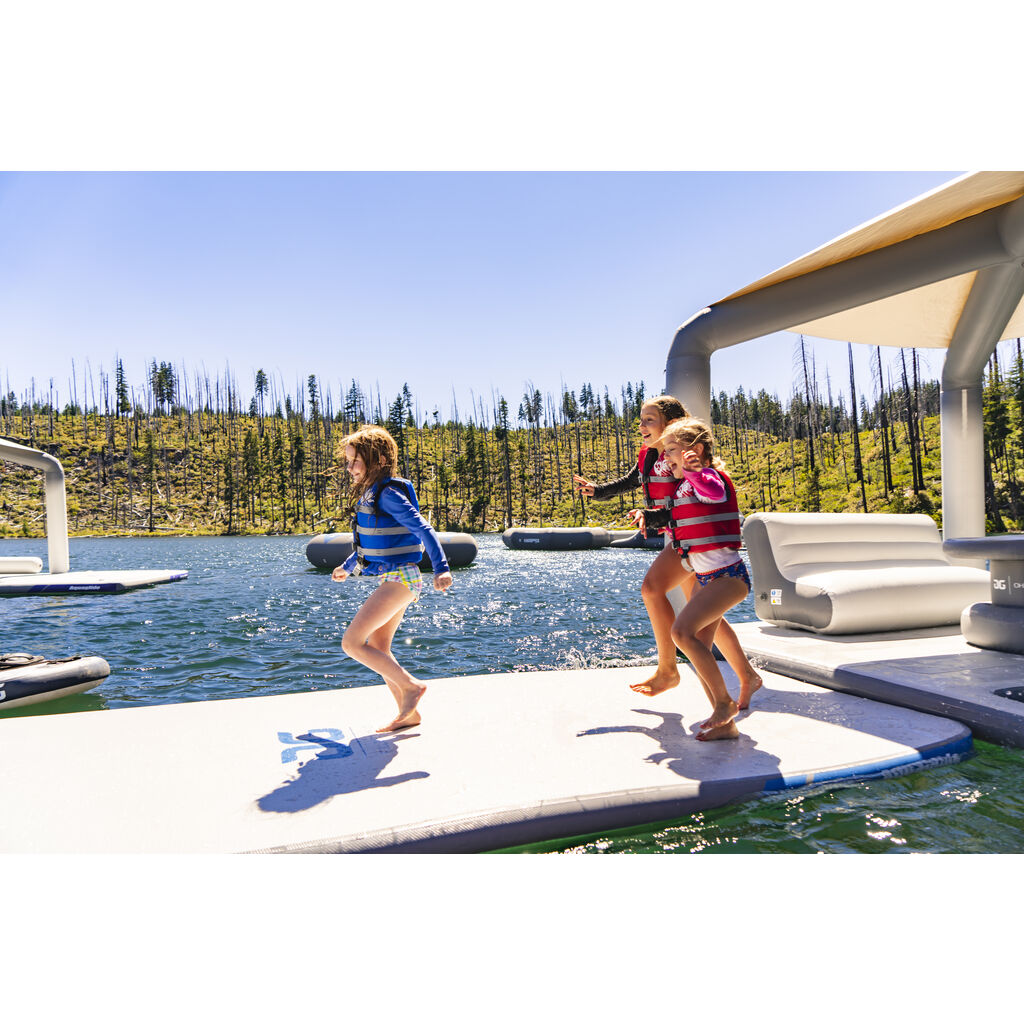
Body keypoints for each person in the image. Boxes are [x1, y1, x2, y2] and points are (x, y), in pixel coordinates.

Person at [572, 396, 761, 708]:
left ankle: (671, 672)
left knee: (660, 594)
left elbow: (700, 495)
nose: (641, 426)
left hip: (692, 541)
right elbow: (633, 480)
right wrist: (600, 490)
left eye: (649, 420)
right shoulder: (651, 456)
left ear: (671, 424)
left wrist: (657, 514)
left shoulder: (680, 460)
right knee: (703, 617)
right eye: (641, 420)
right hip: (683, 539)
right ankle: (743, 677)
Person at [331, 426, 453, 732]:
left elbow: (423, 529)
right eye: (349, 461)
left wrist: (441, 567)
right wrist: (347, 566)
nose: (350, 468)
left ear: (380, 461)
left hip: (401, 579)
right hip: (399, 577)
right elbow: (371, 546)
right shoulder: (374, 495)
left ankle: (411, 687)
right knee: (378, 646)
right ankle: (407, 713)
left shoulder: (388, 495)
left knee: (351, 643)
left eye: (356, 461)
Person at [639, 417, 752, 741]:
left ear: (697, 450)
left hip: (728, 578)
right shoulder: (685, 486)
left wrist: (695, 471)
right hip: (708, 579)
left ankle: (724, 703)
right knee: (698, 645)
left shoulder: (709, 478)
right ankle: (726, 725)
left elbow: (714, 492)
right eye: (665, 451)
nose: (666, 457)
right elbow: (683, 516)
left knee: (681, 633)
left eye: (672, 450)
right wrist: (649, 516)